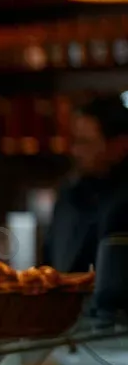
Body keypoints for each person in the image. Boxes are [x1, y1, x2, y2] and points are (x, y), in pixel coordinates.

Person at [44, 95, 128, 273]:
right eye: (74, 141)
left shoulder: (122, 202)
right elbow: (50, 263)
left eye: (85, 143)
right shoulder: (69, 195)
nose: (76, 151)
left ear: (119, 145)